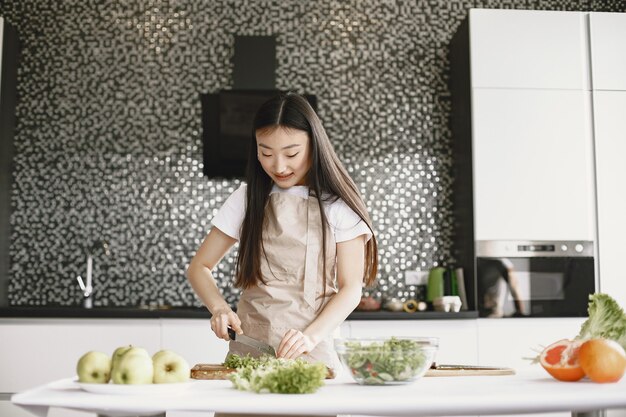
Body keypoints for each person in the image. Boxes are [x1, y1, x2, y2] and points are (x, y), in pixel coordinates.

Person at [187, 92, 378, 387]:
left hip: (312, 354)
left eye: (291, 154)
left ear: (314, 146)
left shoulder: (337, 206)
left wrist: (309, 337)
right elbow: (199, 267)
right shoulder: (247, 198)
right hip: (249, 353)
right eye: (266, 153)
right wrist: (219, 308)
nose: (278, 166)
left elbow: (351, 288)